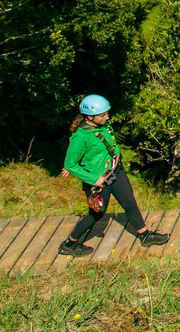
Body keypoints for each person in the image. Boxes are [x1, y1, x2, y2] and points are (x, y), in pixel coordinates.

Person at [58, 95, 168, 256]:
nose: (107, 117)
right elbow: (70, 164)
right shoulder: (80, 137)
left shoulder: (104, 125)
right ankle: (69, 244)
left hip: (115, 171)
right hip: (98, 181)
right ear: (89, 117)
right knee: (97, 213)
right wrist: (93, 179)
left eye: (107, 113)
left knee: (129, 203)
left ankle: (145, 235)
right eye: (103, 115)